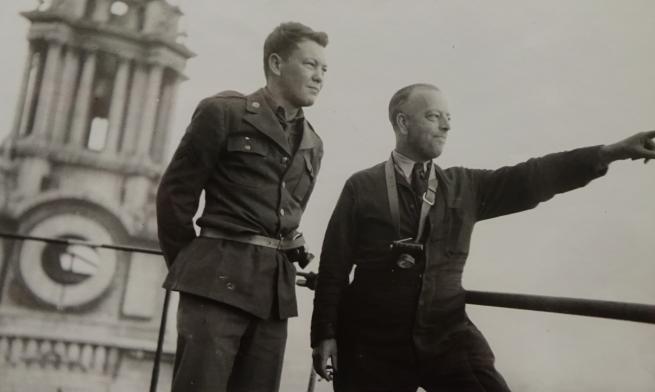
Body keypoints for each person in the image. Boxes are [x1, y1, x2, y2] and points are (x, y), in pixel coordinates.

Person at [310, 83, 655, 392]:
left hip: (445, 336)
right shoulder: (362, 186)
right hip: (372, 343)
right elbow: (334, 266)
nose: (446, 125)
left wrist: (608, 153)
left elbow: (531, 176)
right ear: (402, 123)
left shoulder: (465, 186)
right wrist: (325, 333)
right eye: (434, 116)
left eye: (448, 117)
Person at [156, 22, 328, 392]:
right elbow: (175, 196)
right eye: (311, 64)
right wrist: (194, 267)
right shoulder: (224, 113)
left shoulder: (313, 143)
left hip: (272, 297)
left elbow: (285, 214)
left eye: (324, 70)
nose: (319, 77)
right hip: (215, 283)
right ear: (277, 63)